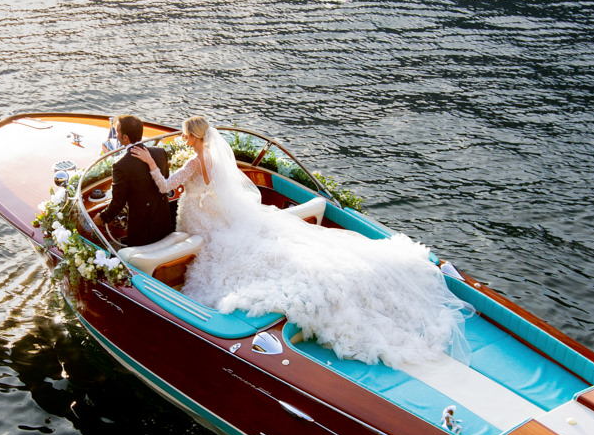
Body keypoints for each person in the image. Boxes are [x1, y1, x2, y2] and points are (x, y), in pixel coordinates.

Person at [131, 116, 468, 368]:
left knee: (219, 255)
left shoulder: (192, 161)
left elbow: (164, 188)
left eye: (185, 133)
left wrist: (149, 163)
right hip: (221, 216)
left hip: (201, 219)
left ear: (191, 137)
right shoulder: (219, 158)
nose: (184, 137)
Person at [97, 113, 175, 248]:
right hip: (164, 224)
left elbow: (118, 203)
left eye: (117, 131)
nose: (115, 135)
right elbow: (164, 182)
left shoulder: (120, 165)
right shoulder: (160, 153)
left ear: (125, 138)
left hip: (142, 231)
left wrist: (102, 218)